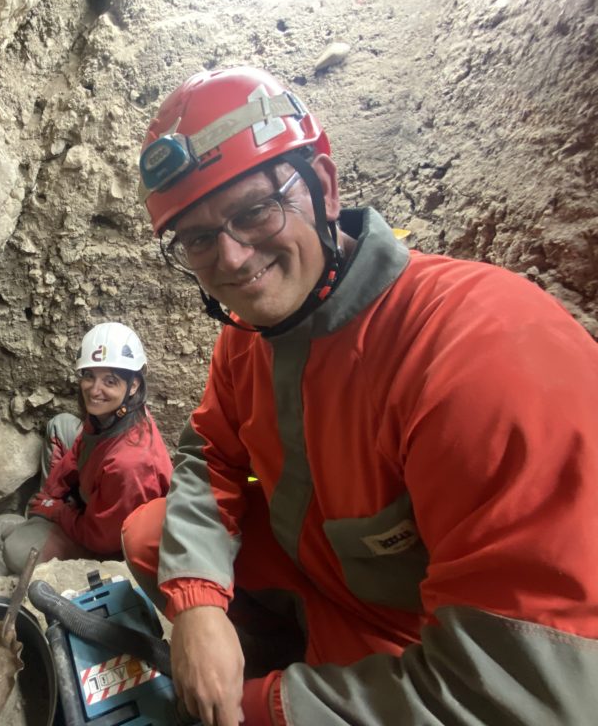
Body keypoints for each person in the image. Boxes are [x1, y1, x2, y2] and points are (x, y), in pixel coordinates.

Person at [120, 66, 598, 726]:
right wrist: (198, 603)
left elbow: (528, 694)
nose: (230, 259)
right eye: (199, 239)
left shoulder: (479, 355)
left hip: (427, 646)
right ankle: (282, 655)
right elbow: (212, 455)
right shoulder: (253, 335)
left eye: (254, 210)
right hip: (327, 587)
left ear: (322, 185)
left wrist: (257, 708)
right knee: (151, 536)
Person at [0, 322, 173, 582]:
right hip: (99, 498)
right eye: (89, 375)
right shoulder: (114, 414)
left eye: (110, 381)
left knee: (14, 544)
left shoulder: (130, 464)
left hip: (110, 545)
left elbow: (103, 539)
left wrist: (57, 512)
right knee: (62, 425)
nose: (94, 389)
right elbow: (79, 448)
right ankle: (42, 520)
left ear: (133, 385)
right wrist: (50, 497)